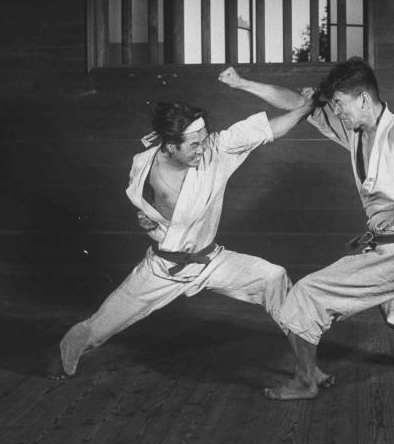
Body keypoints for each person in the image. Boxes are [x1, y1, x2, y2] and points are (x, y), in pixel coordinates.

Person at [47, 75, 334, 387]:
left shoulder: (215, 150)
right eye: (194, 143)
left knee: (273, 277)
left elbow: (267, 130)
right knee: (97, 328)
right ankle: (66, 353)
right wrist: (148, 220)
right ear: (170, 146)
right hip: (163, 268)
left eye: (205, 138)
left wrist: (305, 109)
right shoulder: (144, 164)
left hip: (210, 260)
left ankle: (308, 371)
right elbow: (145, 204)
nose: (203, 147)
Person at [219, 59, 394, 400]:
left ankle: (306, 382)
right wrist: (243, 84)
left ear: (364, 100)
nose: (336, 111)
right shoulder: (353, 130)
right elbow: (300, 103)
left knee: (307, 295)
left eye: (340, 104)